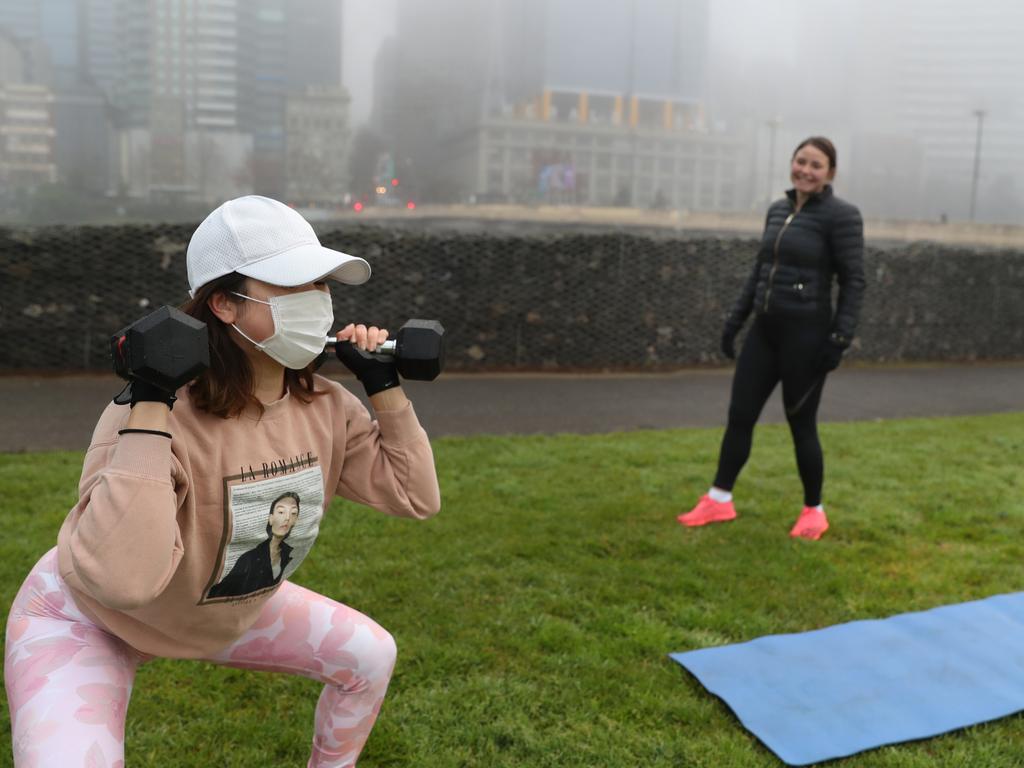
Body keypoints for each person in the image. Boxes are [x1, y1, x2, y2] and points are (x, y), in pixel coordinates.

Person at [4, 195, 442, 767]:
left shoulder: (326, 407)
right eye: (293, 286)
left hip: (216, 609)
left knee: (370, 656)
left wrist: (384, 387)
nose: (318, 304)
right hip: (88, 618)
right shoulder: (149, 413)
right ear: (224, 305)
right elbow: (122, 581)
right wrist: (152, 402)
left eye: (322, 286)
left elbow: (415, 496)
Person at [678, 137, 865, 540]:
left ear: (830, 173)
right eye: (801, 161)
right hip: (765, 332)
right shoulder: (778, 211)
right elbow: (760, 272)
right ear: (791, 163)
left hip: (808, 336)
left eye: (816, 165)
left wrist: (839, 338)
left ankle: (814, 510)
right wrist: (735, 321)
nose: (806, 170)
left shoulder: (842, 216)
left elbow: (854, 281)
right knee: (740, 415)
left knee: (802, 425)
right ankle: (718, 500)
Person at [206, 491, 301, 598]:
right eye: (281, 512)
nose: (287, 518)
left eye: (293, 513)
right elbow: (217, 594)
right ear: (270, 518)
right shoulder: (248, 559)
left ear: (295, 521)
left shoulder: (287, 554)